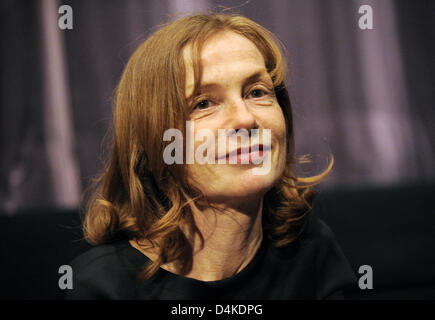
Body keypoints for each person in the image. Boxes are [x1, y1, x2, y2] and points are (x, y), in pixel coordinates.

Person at [66, 13, 356, 300]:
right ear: (155, 141)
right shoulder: (102, 287)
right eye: (204, 103)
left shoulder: (310, 251)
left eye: (257, 92)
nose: (245, 119)